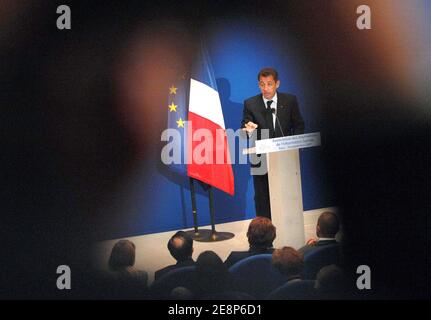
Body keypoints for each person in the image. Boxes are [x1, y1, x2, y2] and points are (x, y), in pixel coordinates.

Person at [241, 67, 305, 219]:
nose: (266, 88)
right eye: (262, 84)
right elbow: (244, 128)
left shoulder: (290, 101)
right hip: (261, 158)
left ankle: (290, 222)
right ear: (258, 85)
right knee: (262, 197)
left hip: (286, 157)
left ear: (277, 84)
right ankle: (264, 230)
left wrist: (294, 147)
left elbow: (299, 125)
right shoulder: (250, 103)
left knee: (287, 193)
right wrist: (247, 129)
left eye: (269, 84)